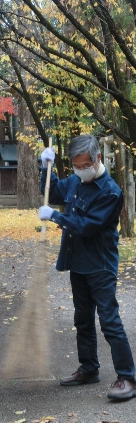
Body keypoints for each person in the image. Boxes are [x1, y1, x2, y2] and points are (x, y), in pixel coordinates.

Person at [39, 134, 136, 400]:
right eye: (76, 166)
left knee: (109, 321)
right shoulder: (75, 181)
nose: (81, 171)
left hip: (100, 265)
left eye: (85, 166)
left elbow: (89, 226)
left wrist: (56, 216)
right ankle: (89, 368)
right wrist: (45, 167)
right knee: (82, 319)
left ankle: (128, 377)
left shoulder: (111, 192)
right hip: (78, 263)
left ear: (97, 159)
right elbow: (53, 190)